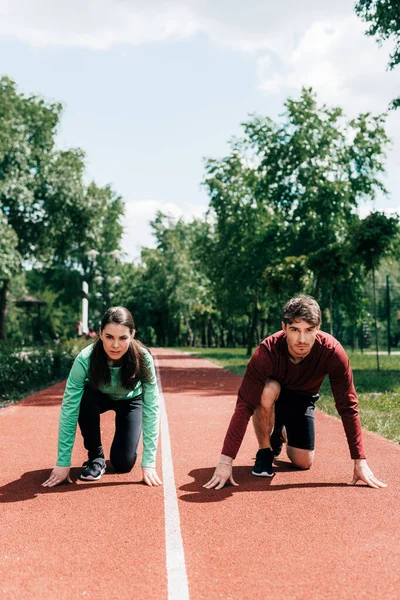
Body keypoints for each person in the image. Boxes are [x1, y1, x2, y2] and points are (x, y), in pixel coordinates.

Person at [204, 295, 387, 490]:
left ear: (318, 328)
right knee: (266, 390)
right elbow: (245, 405)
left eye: (308, 330)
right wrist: (225, 461)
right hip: (273, 395)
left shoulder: (332, 353)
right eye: (294, 330)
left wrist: (360, 460)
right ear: (284, 328)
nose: (301, 339)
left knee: (303, 463)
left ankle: (281, 432)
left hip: (303, 398)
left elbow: (347, 406)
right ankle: (265, 451)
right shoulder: (266, 352)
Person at [42, 306, 162, 487]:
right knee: (83, 398)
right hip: (97, 398)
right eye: (109, 337)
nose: (115, 345)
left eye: (123, 338)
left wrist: (149, 462)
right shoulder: (85, 359)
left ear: (132, 335)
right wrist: (63, 461)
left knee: (123, 464)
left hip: (130, 400)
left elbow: (152, 407)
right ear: (100, 333)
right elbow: (69, 408)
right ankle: (96, 457)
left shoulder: (143, 359)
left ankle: (122, 453)